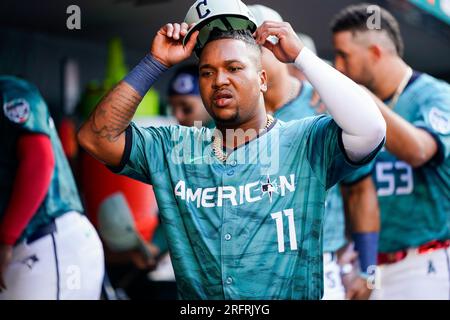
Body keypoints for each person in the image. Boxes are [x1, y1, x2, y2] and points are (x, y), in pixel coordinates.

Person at [77, 0, 385, 300]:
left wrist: (302, 56)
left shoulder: (305, 139)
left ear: (262, 79)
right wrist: (154, 63)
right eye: (207, 72)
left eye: (234, 68)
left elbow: (371, 129)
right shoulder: (175, 146)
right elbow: (96, 138)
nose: (219, 80)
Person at [249, 4, 380, 300]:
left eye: (251, 46)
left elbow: (359, 190)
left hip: (317, 267)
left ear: (274, 45)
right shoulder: (228, 113)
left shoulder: (322, 104)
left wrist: (368, 269)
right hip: (251, 272)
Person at [331, 3, 450, 299]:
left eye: (344, 56)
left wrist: (360, 97)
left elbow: (419, 151)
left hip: (426, 261)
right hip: (371, 265)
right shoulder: (355, 110)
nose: (338, 67)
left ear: (375, 53)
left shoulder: (434, 95)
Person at [0, 76, 105, 300]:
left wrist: (5, 239)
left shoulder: (9, 90)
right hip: (24, 248)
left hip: (49, 239)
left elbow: (39, 160)